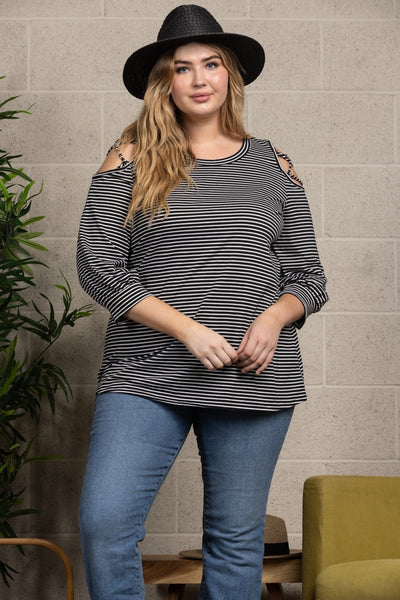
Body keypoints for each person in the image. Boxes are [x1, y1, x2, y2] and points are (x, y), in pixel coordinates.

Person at [77, 5, 328, 600]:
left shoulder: (272, 164)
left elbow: (309, 278)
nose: (198, 79)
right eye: (181, 67)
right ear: (163, 82)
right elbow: (97, 266)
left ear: (229, 75)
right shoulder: (129, 159)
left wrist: (275, 318)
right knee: (105, 521)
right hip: (144, 371)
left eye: (211, 64)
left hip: (253, 376)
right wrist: (186, 329)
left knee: (236, 541)